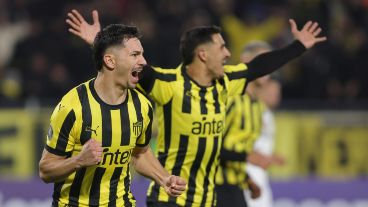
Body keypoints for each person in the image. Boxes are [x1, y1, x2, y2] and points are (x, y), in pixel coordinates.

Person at [66, 9, 326, 207]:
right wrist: (98, 40)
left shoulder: (226, 83)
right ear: (203, 54)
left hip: (208, 200)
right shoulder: (170, 85)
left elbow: (259, 67)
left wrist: (299, 46)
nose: (227, 53)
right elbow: (131, 65)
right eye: (222, 47)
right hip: (170, 199)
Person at [38, 24, 186, 207]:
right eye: (135, 55)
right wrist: (78, 161)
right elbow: (46, 171)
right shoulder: (73, 106)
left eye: (142, 54)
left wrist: (164, 178)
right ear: (110, 61)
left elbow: (140, 154)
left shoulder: (142, 107)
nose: (143, 62)